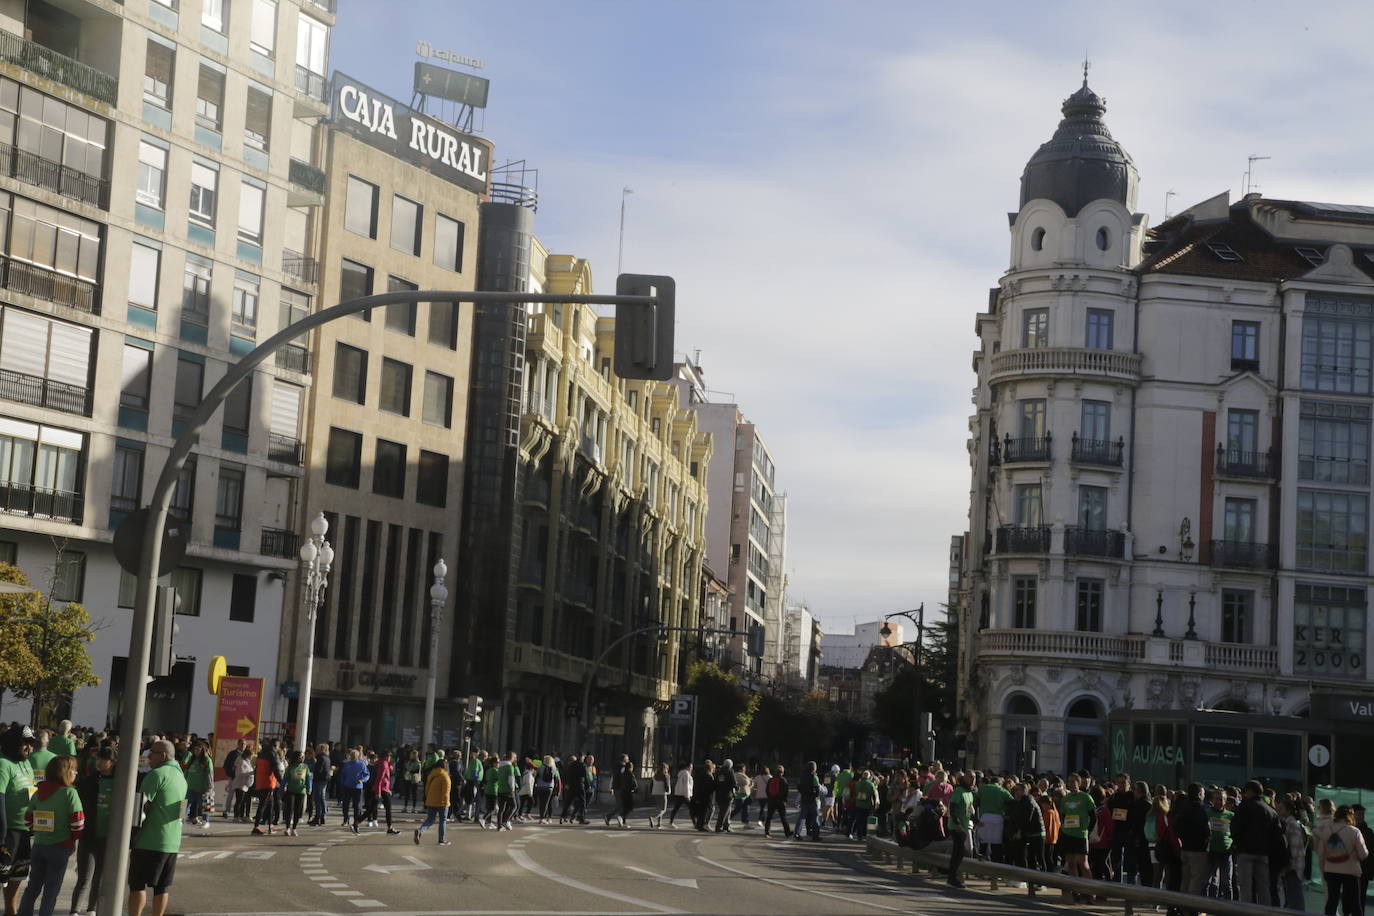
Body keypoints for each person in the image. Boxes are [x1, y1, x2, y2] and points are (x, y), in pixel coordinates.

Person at [128, 739, 187, 916]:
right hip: (172, 841)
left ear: (163, 755)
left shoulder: (155, 775)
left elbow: (140, 809)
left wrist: (130, 837)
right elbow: (181, 811)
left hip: (148, 840)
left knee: (137, 884)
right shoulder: (181, 778)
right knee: (162, 887)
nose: (148, 757)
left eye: (151, 753)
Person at [17, 754, 82, 916]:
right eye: (74, 770)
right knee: (51, 889)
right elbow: (78, 823)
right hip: (61, 846)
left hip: (39, 845)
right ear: (66, 772)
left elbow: (28, 818)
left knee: (33, 886)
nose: (76, 773)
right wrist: (73, 839)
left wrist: (38, 830)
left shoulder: (39, 792)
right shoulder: (70, 793)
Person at [70, 747, 115, 916]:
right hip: (88, 835)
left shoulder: (121, 782)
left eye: (103, 759)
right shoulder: (89, 781)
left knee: (99, 877)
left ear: (112, 762)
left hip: (108, 838)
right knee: (84, 877)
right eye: (97, 759)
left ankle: (91, 909)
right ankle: (74, 910)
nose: (98, 762)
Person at [0, 726, 38, 916]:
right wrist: (2, 832)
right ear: (14, 743)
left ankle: (10, 911)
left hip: (24, 830)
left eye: (32, 743)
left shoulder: (26, 764)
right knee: (2, 874)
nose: (29, 748)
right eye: (26, 743)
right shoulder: (3, 764)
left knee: (18, 874)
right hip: (7, 831)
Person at [1232, 779, 1280, 906]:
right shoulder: (1271, 811)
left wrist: (1237, 843)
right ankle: (1264, 911)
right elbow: (1277, 834)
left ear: (1249, 791)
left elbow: (1235, 827)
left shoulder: (1244, 806)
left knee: (1245, 886)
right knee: (1263, 886)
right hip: (1263, 853)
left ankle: (1246, 911)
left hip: (1245, 851)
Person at [1319, 805, 1368, 916]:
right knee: (1355, 904)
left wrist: (1324, 870)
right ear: (1350, 816)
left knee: (1331, 902)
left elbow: (1321, 853)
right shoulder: (1355, 831)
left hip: (1331, 871)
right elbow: (1363, 855)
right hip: (1351, 873)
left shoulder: (1326, 830)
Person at [1058, 773, 1095, 903]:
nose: (1072, 783)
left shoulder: (1086, 797)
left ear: (1079, 783)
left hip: (1081, 835)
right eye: (1070, 781)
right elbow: (1063, 816)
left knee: (1083, 864)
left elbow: (1093, 817)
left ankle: (1089, 893)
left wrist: (1088, 831)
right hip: (1068, 834)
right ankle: (1075, 891)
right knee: (1071, 863)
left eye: (1075, 781)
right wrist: (1063, 829)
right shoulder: (1065, 799)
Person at [1276, 796, 1308, 912]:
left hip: (1292, 868)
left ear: (1288, 811)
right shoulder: (1289, 824)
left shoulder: (1292, 825)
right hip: (1291, 867)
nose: (1278, 811)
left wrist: (1289, 865)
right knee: (1291, 898)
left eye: (1281, 809)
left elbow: (1294, 848)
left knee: (1295, 900)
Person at [947, 771, 975, 888]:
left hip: (964, 826)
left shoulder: (969, 793)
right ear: (964, 778)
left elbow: (969, 811)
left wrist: (977, 822)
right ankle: (952, 877)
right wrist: (957, 823)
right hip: (956, 827)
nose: (973, 780)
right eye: (970, 777)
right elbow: (952, 807)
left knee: (960, 852)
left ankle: (953, 875)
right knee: (958, 852)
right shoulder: (958, 791)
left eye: (974, 778)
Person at [414, 760, 452, 846]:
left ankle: (420, 830)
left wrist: (428, 798)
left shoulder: (432, 774)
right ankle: (441, 839)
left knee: (430, 820)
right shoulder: (445, 776)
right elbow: (446, 792)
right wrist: (447, 803)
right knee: (443, 820)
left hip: (431, 800)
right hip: (442, 802)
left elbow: (427, 788)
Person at [250, 741, 281, 835]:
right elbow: (276, 769)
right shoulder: (273, 754)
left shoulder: (261, 753)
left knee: (270, 803)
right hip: (268, 782)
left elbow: (257, 769)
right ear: (276, 746)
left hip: (261, 781)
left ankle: (270, 825)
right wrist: (282, 781)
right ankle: (256, 826)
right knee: (263, 804)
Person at [338, 749, 369, 834]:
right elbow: (342, 775)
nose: (353, 757)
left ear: (358, 756)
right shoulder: (346, 764)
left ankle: (356, 823)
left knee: (357, 806)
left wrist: (362, 780)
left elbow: (367, 774)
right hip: (347, 787)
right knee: (345, 804)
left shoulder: (361, 764)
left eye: (354, 755)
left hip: (357, 787)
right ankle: (346, 819)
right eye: (352, 755)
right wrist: (343, 783)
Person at [183, 743, 212, 829]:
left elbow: (209, 773)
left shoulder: (207, 760)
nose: (196, 751)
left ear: (202, 750)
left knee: (205, 805)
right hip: (189, 786)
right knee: (184, 804)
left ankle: (206, 821)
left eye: (198, 749)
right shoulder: (192, 759)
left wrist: (209, 786)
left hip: (202, 787)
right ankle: (180, 820)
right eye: (195, 749)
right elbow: (187, 772)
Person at [283, 751, 311, 837]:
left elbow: (308, 778)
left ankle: (294, 828)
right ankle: (287, 827)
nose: (302, 758)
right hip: (291, 790)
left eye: (303, 757)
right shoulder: (290, 767)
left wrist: (309, 788)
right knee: (290, 809)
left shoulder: (305, 767)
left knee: (297, 811)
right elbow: (285, 778)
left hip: (301, 791)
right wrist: (283, 787)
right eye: (300, 757)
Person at [793, 761, 821, 841]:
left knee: (802, 817)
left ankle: (797, 833)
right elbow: (817, 789)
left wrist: (803, 793)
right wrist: (815, 795)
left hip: (804, 799)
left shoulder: (802, 776)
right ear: (814, 768)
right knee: (815, 818)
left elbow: (798, 787)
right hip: (812, 800)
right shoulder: (814, 777)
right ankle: (815, 835)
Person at [763, 765, 791, 838]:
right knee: (783, 817)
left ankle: (767, 832)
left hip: (771, 800)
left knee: (769, 817)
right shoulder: (783, 780)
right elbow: (786, 792)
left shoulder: (771, 780)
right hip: (780, 801)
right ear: (782, 772)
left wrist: (770, 797)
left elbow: (767, 790)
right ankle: (787, 832)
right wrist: (784, 800)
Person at [1354, 805, 1373, 907]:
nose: (1361, 816)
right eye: (1359, 814)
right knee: (1349, 898)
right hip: (1350, 870)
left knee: (1361, 899)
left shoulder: (1369, 832)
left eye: (1362, 814)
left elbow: (1371, 852)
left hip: (1363, 870)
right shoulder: (1349, 830)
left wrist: (1370, 871)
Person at [309, 743, 331, 826]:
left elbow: (318, 769)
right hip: (324, 779)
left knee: (318, 798)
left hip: (319, 779)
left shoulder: (320, 758)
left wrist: (314, 772)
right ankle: (322, 815)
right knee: (321, 797)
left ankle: (318, 816)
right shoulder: (327, 758)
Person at [852, 770, 877, 841]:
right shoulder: (871, 784)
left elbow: (855, 792)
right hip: (868, 805)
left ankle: (859, 836)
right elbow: (874, 795)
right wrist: (875, 805)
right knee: (867, 821)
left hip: (859, 804)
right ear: (869, 777)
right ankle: (865, 835)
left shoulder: (858, 783)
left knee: (859, 821)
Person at [534, 756, 559, 824]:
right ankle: (544, 818)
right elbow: (556, 779)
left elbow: (536, 777)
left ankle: (541, 817)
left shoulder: (540, 767)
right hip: (549, 787)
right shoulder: (554, 768)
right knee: (547, 803)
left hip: (540, 787)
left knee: (541, 803)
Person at [668, 760, 692, 829]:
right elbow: (686, 785)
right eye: (690, 767)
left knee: (676, 808)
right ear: (687, 767)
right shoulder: (686, 774)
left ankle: (671, 822)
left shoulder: (681, 773)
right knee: (692, 808)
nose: (691, 768)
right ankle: (696, 823)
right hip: (684, 794)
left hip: (679, 793)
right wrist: (687, 796)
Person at [713, 760, 735, 833]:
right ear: (730, 765)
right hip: (727, 794)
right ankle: (718, 827)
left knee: (726, 811)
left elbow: (715, 782)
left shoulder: (718, 771)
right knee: (724, 811)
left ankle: (726, 826)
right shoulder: (730, 771)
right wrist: (736, 788)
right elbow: (733, 782)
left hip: (719, 794)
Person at [647, 762, 670, 829]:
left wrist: (651, 792)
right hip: (662, 793)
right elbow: (666, 785)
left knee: (659, 808)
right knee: (663, 809)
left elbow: (651, 785)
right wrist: (667, 791)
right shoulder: (664, 776)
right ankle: (653, 818)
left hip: (655, 793)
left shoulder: (655, 776)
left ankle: (659, 824)